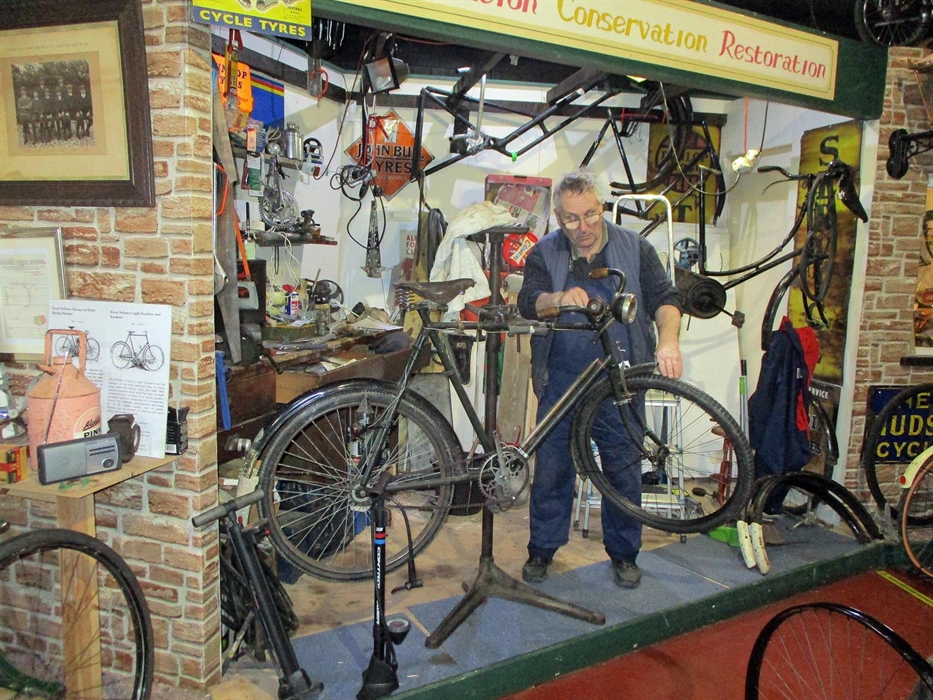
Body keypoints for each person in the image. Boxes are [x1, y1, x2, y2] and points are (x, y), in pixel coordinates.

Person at [516, 170, 683, 589]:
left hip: (621, 380)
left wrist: (669, 343)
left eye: (590, 215)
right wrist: (558, 299)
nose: (583, 227)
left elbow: (666, 300)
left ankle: (624, 554)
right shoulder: (545, 253)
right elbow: (528, 302)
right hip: (561, 379)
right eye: (572, 219)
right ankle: (542, 548)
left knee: (622, 470)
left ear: (602, 207)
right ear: (558, 218)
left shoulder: (635, 247)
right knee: (553, 469)